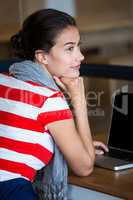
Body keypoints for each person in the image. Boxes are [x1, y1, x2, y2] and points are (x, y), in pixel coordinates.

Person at [0, 9, 108, 200]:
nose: (80, 56)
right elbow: (84, 167)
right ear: (42, 57)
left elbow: (15, 138)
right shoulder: (49, 99)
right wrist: (79, 102)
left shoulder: (4, 79)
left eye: (78, 46)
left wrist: (80, 145)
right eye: (69, 48)